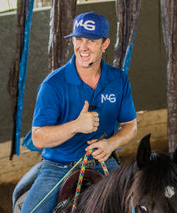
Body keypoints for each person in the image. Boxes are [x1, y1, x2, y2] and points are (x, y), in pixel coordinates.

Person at [20, 11, 137, 213]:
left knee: (136, 206)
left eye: (90, 40)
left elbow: (130, 125)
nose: (82, 47)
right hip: (58, 167)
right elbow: (38, 138)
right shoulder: (53, 85)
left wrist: (112, 143)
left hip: (103, 161)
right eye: (78, 39)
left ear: (105, 43)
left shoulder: (119, 80)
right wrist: (76, 126)